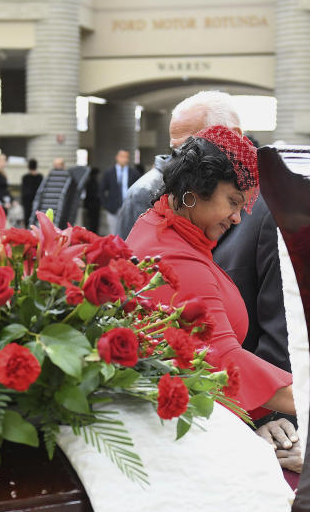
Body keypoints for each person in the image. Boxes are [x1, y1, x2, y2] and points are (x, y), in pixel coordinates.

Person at [125, 125, 295, 419]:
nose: (237, 217)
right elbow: (224, 359)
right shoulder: (172, 254)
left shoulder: (162, 225)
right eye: (232, 201)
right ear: (195, 191)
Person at [115, 90, 242, 239]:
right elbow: (132, 259)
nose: (181, 157)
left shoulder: (260, 193)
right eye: (176, 149)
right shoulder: (145, 193)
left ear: (233, 137)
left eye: (191, 147)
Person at [100, 149, 139, 235]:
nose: (124, 159)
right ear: (117, 158)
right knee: (114, 234)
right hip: (113, 208)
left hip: (128, 207)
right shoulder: (109, 173)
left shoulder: (133, 173)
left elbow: (137, 190)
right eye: (122, 157)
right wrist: (106, 205)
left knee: (127, 233)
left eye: (126, 157)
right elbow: (101, 190)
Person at [20, 158, 43, 224]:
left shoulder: (25, 177)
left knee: (27, 216)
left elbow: (23, 190)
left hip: (27, 200)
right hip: (37, 199)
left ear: (28, 166)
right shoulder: (40, 177)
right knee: (37, 216)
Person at [82, 167, 101, 233]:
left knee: (93, 221)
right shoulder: (91, 183)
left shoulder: (91, 182)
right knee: (92, 222)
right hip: (92, 205)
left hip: (93, 205)